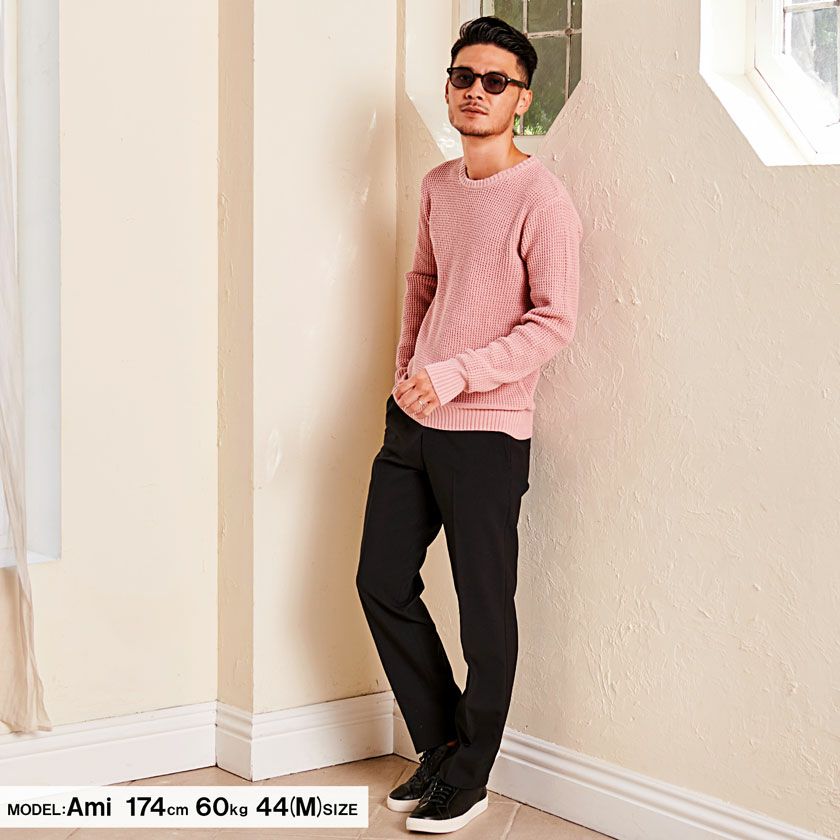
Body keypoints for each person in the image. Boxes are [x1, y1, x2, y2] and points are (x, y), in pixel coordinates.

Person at [356, 14, 583, 835]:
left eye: (495, 82)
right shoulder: (436, 186)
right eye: (464, 77)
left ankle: (472, 774)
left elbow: (554, 322)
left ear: (522, 100)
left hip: (486, 429)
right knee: (380, 580)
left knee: (485, 610)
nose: (476, 92)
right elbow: (422, 283)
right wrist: (406, 377)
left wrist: (453, 375)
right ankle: (443, 745)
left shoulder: (542, 199)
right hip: (414, 419)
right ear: (449, 87)